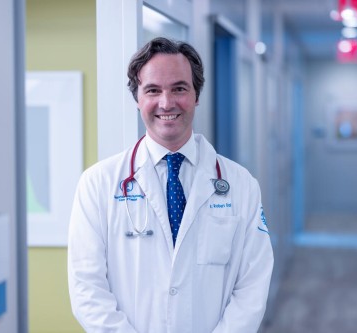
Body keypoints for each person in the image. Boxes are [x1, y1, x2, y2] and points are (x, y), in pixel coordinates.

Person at [68, 37, 274, 333]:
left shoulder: (242, 185)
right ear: (137, 98)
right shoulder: (97, 184)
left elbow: (253, 285)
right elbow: (86, 289)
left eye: (179, 88)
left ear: (196, 95)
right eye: (153, 90)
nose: (166, 103)